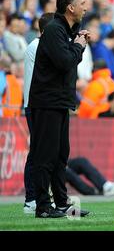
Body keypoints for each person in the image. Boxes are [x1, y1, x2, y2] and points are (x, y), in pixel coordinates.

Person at [28, 0, 90, 218]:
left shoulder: (64, 30)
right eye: (81, 3)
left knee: (60, 154)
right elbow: (65, 62)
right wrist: (79, 45)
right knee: (45, 155)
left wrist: (77, 43)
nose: (85, 7)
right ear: (70, 8)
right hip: (47, 102)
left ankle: (62, 203)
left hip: (59, 102)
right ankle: (43, 206)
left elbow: (68, 60)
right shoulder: (54, 30)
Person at [22, 12, 54, 214]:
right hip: (36, 105)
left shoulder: (42, 46)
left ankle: (40, 196)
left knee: (43, 153)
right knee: (36, 153)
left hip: (41, 104)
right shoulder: (36, 47)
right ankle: (31, 198)